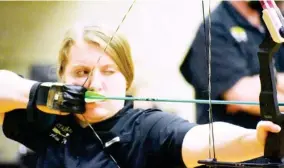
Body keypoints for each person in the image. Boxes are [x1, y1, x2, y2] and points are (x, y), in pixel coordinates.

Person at [0, 25, 281, 168]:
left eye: (108, 72)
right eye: (81, 71)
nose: (94, 82)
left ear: (127, 80)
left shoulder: (146, 129)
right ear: (61, 75)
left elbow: (203, 140)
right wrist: (43, 94)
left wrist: (257, 140)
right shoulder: (47, 116)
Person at [180, 0, 284, 129]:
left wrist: (269, 82)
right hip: (233, 145)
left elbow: (259, 94)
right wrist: (271, 84)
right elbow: (245, 96)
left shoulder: (274, 22)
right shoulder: (214, 29)